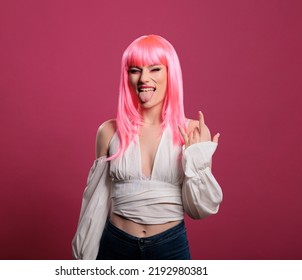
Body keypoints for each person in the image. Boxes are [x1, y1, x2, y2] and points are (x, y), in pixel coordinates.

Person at [72, 35, 222, 260]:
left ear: (170, 74)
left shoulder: (193, 132)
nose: (144, 78)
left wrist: (195, 159)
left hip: (170, 247)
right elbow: (96, 204)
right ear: (127, 76)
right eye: (135, 70)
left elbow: (199, 209)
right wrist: (85, 261)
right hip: (116, 245)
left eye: (154, 69)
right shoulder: (108, 132)